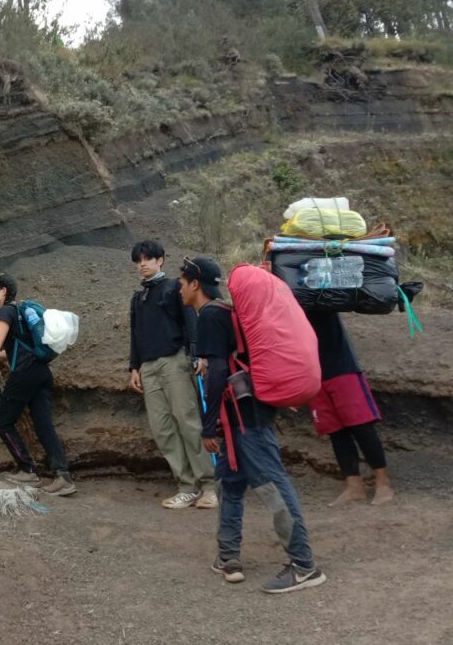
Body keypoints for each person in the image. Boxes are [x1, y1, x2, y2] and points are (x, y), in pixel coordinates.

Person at [181, 256, 326, 594]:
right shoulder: (223, 314)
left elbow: (217, 373)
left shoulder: (211, 316)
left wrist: (207, 426)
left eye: (182, 280)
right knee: (230, 483)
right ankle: (228, 557)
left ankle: (304, 566)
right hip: (243, 416)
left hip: (246, 420)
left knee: (271, 485)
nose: (179, 287)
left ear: (194, 284)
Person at [0, 273, 76, 496]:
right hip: (41, 373)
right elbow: (19, 349)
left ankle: (27, 469)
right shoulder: (21, 312)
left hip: (25, 374)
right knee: (44, 426)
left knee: (3, 421)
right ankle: (63, 477)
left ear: (4, 291)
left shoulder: (6, 311)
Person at [128, 240, 216, 509]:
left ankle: (210, 485)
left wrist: (199, 353)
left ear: (160, 261)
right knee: (163, 428)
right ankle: (187, 486)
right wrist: (134, 366)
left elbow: (191, 321)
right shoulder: (138, 297)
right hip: (149, 368)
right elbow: (135, 334)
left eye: (148, 259)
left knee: (188, 422)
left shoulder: (173, 288)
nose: (143, 264)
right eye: (139, 260)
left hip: (174, 361)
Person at [305, 310, 393, 506]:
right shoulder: (284, 297)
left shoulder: (317, 290)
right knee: (335, 432)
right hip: (312, 373)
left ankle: (383, 483)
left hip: (342, 367)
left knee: (361, 426)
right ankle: (354, 486)